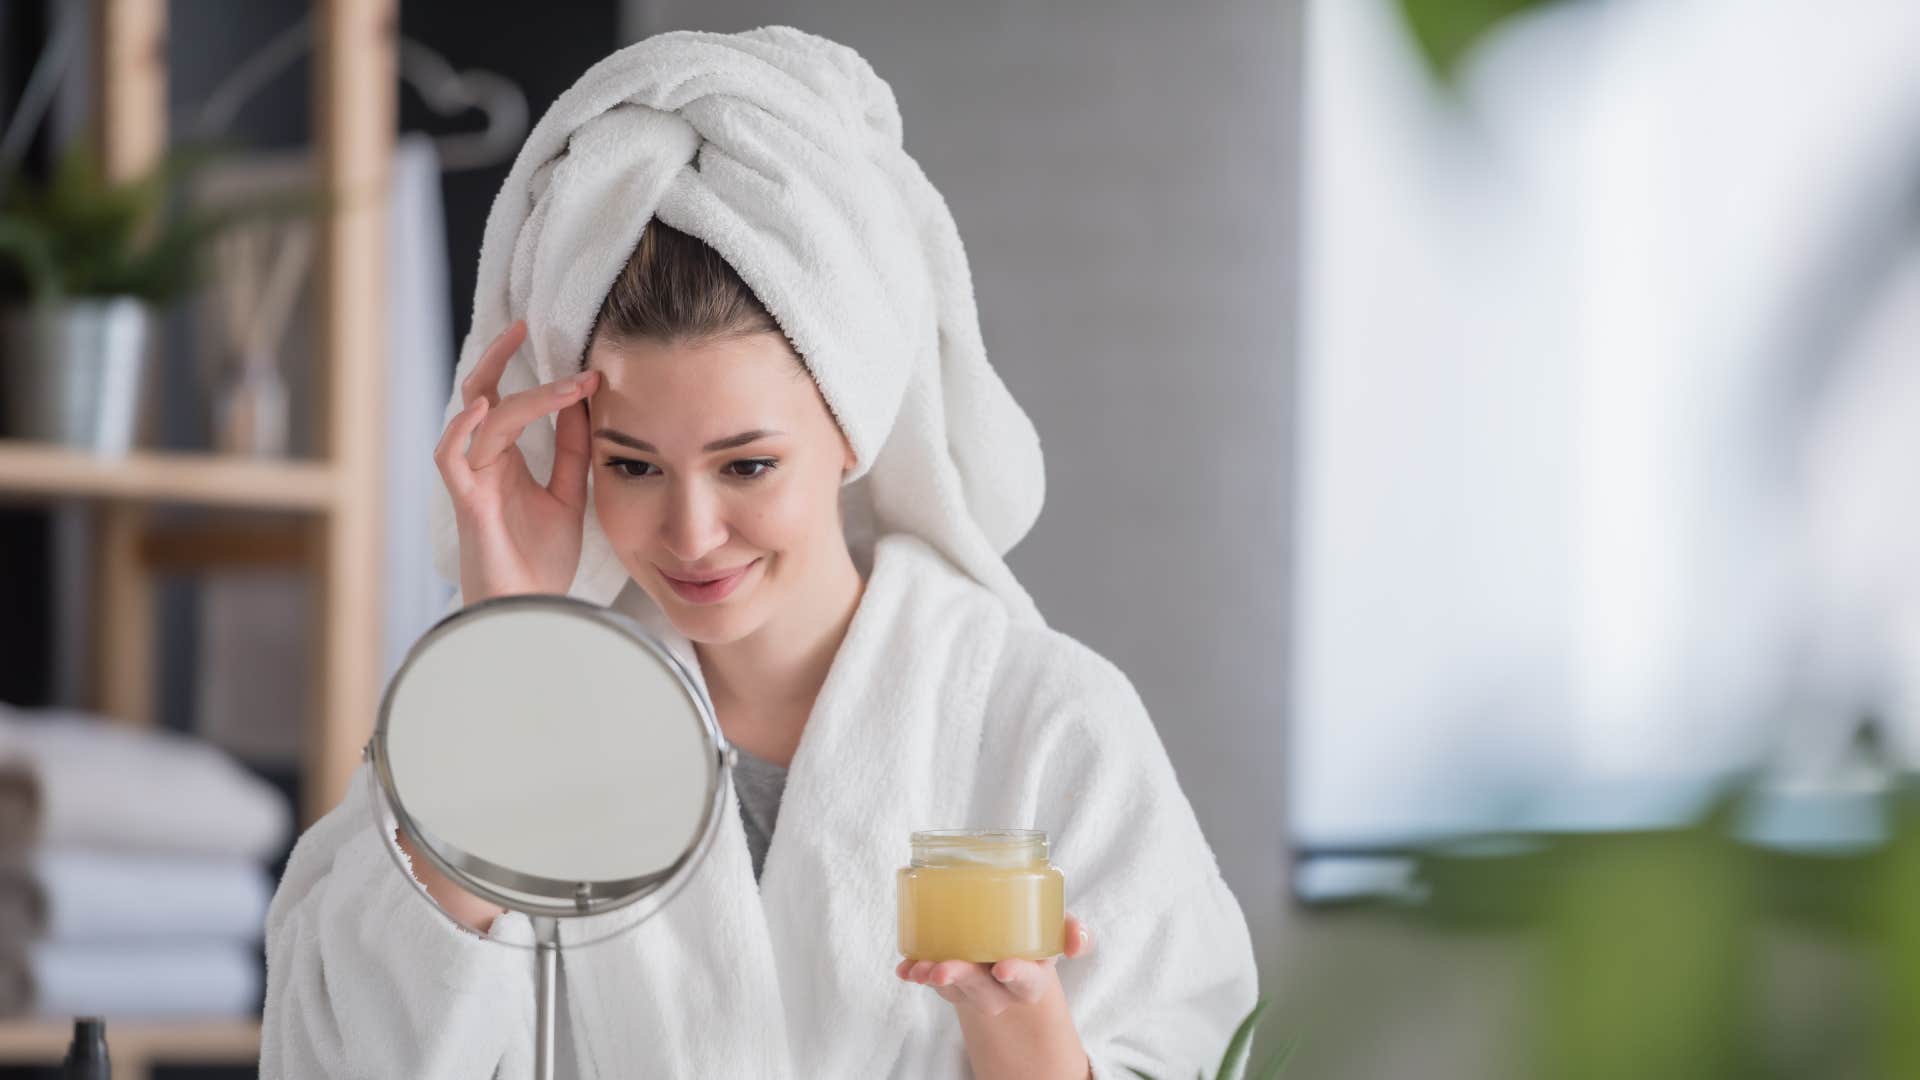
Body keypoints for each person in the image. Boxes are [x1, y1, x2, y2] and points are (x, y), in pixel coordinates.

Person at [261, 27, 1257, 1080]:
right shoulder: (523, 710)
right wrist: (505, 643)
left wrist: (1022, 1028)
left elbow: (1196, 1053)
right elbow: (341, 1055)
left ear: (850, 429)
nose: (691, 536)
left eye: (747, 467)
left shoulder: (1044, 724)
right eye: (635, 467)